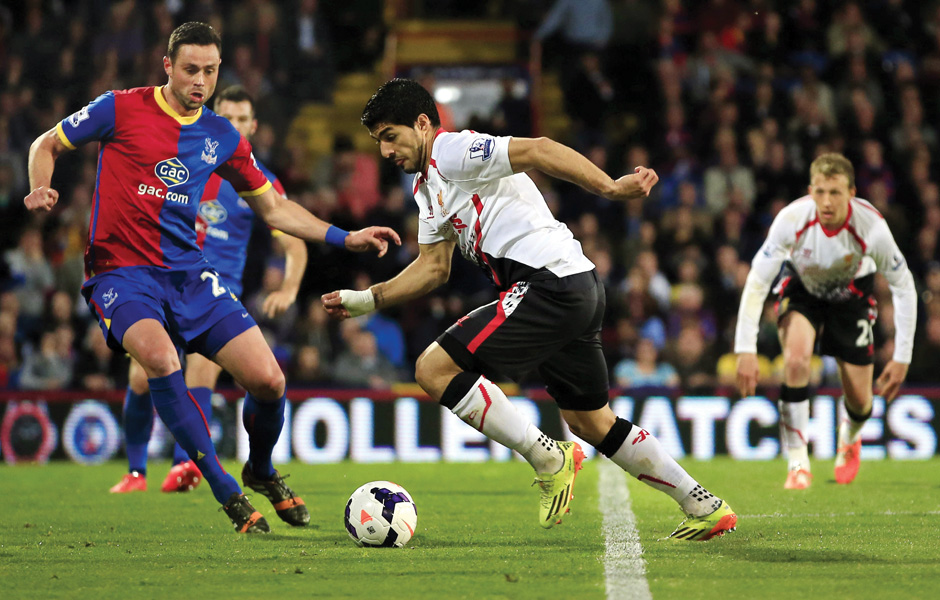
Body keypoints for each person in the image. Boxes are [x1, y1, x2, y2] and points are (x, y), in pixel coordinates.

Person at [24, 22, 399, 533]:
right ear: (168, 67)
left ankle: (261, 469)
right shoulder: (119, 107)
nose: (201, 80)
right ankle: (224, 489)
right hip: (121, 272)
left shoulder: (222, 136)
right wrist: (40, 188)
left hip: (189, 275)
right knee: (157, 360)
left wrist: (343, 236)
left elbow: (275, 209)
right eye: (191, 69)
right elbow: (45, 144)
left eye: (210, 71)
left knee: (269, 381)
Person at [323, 78, 736, 540]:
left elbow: (538, 148)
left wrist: (611, 189)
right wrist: (368, 299)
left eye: (390, 137)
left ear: (422, 124)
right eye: (378, 141)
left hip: (548, 282)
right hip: (573, 284)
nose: (384, 152)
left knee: (433, 368)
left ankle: (548, 457)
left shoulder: (451, 150)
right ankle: (704, 505)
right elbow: (433, 268)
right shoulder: (427, 188)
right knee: (590, 420)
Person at [108, 85, 309, 496]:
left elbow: (294, 241)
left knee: (200, 373)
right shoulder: (182, 162)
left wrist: (289, 287)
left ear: (252, 126)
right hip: (162, 280)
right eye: (226, 116)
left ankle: (185, 466)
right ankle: (135, 472)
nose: (233, 125)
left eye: (241, 119)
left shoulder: (258, 180)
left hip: (216, 294)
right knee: (142, 377)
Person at [735, 153, 916, 489]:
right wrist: (745, 348)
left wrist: (902, 357)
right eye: (819, 192)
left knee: (862, 402)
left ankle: (850, 434)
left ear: (852, 192)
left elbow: (903, 286)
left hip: (852, 296)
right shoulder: (791, 219)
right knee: (797, 359)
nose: (826, 202)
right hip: (803, 288)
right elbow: (757, 282)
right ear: (810, 190)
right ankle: (798, 462)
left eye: (834, 192)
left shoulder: (872, 229)